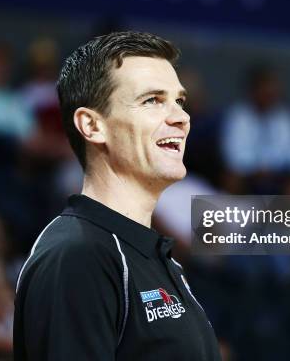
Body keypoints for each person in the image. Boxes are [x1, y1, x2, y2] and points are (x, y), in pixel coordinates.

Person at [14, 31, 222, 360]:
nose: (182, 118)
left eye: (179, 101)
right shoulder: (77, 256)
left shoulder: (148, 253)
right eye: (152, 100)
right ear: (92, 126)